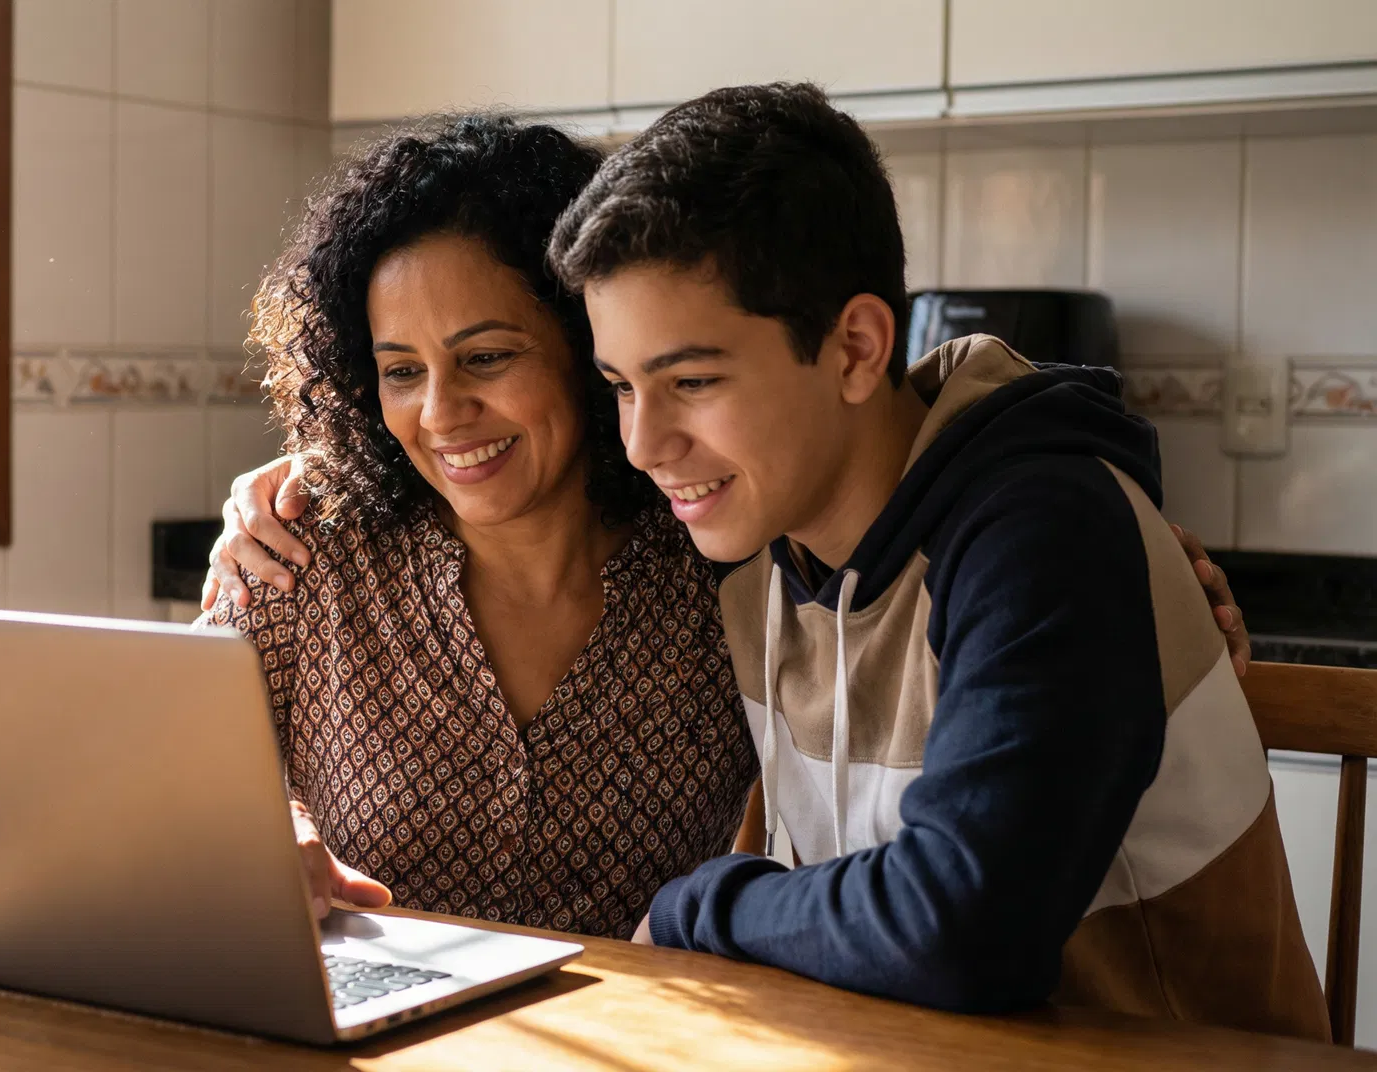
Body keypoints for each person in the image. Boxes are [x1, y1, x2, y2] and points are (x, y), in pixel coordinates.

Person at [542, 82, 1327, 1039]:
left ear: (858, 349)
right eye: (621, 386)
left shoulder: (1047, 528)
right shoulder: (758, 543)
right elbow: (499, 485)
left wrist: (698, 909)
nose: (642, 442)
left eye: (693, 381)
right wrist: (311, 494)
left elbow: (966, 924)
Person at [196, 116, 758, 940]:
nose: (440, 413)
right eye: (401, 372)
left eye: (487, 357)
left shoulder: (716, 557)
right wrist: (269, 833)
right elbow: (174, 759)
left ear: (587, 345)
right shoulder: (303, 549)